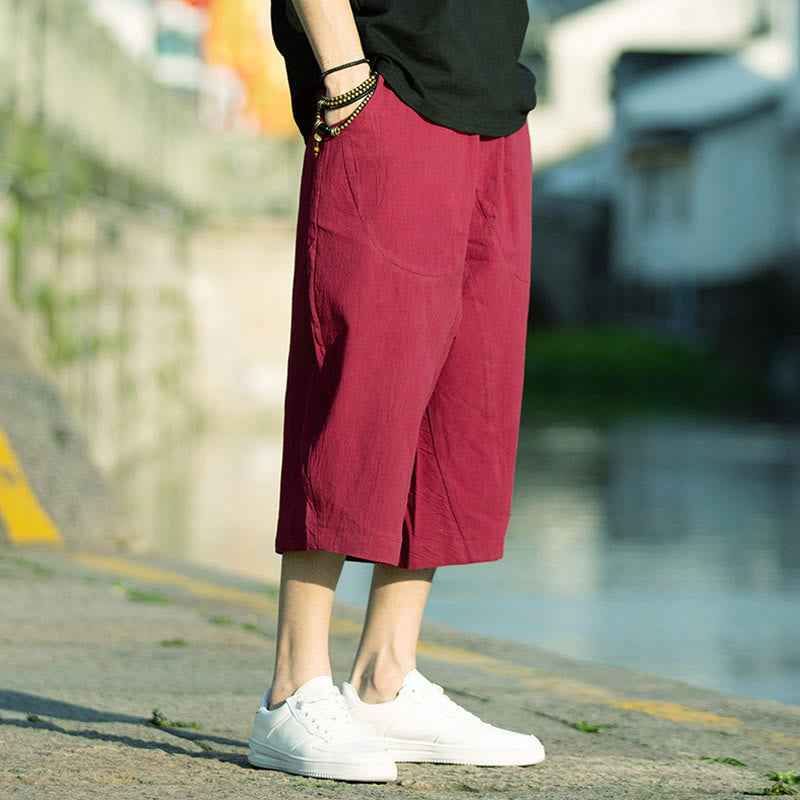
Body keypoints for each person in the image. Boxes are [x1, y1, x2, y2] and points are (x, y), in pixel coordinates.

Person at [246, 0, 544, 783]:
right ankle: (291, 688)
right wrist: (343, 68)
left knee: (458, 397)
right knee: (358, 391)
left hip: (494, 99)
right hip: (385, 82)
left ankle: (386, 676)